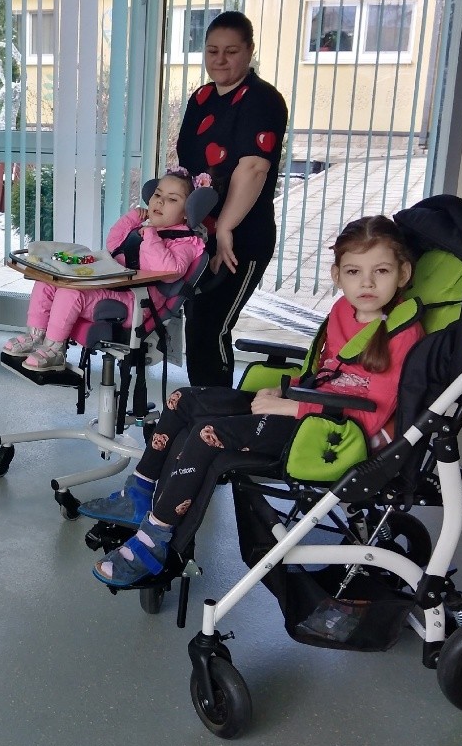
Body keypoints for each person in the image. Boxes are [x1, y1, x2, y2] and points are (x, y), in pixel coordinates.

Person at [83, 215, 424, 587]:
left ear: (403, 274)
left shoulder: (404, 333)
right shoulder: (342, 311)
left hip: (334, 434)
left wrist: (294, 407)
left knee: (208, 435)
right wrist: (286, 389)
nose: (367, 283)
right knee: (182, 399)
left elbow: (373, 414)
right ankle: (139, 491)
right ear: (337, 275)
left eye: (381, 271)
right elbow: (328, 373)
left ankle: (154, 541)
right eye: (354, 271)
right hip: (308, 406)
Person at [175, 10, 289, 388]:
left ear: (249, 51)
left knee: (213, 326)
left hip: (242, 236)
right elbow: (190, 169)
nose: (220, 60)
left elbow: (253, 168)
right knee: (197, 324)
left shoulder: (262, 99)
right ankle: (202, 406)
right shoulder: (202, 98)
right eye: (212, 51)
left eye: (231, 51)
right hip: (202, 235)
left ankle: (218, 412)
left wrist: (224, 227)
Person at [2, 168, 205, 372]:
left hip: (134, 302)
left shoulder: (185, 243)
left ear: (187, 212)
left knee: (71, 292)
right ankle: (36, 335)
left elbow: (168, 271)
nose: (160, 202)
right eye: (158, 194)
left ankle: (55, 350)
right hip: (112, 287)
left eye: (172, 199)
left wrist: (151, 236)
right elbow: (113, 244)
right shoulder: (144, 227)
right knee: (48, 281)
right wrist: (132, 219)